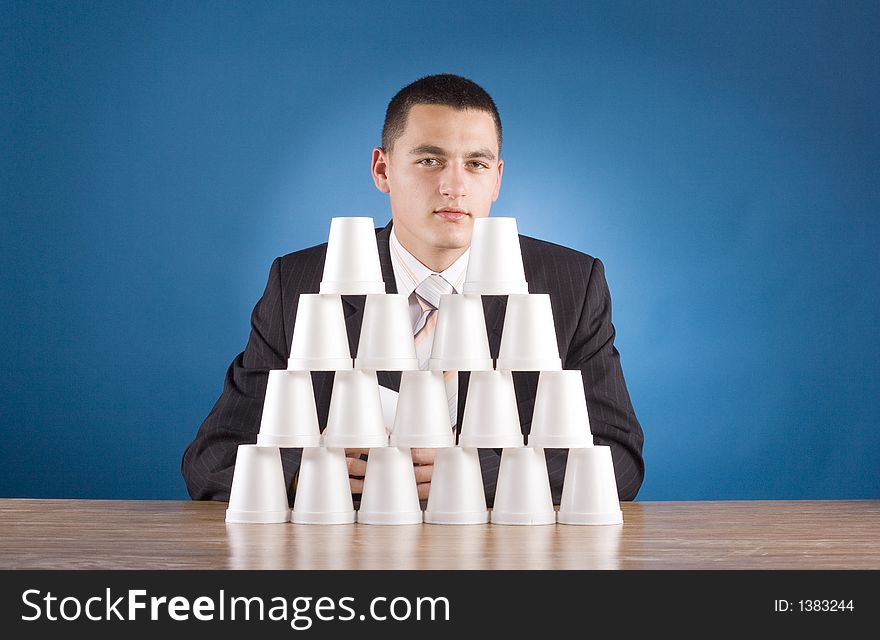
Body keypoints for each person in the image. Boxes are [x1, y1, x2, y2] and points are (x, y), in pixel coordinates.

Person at [182, 73, 644, 506]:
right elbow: (212, 459)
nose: (454, 186)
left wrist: (476, 475)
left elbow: (619, 459)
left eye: (476, 164)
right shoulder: (300, 283)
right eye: (429, 160)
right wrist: (303, 476)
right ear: (382, 170)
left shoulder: (572, 283)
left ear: (497, 179)